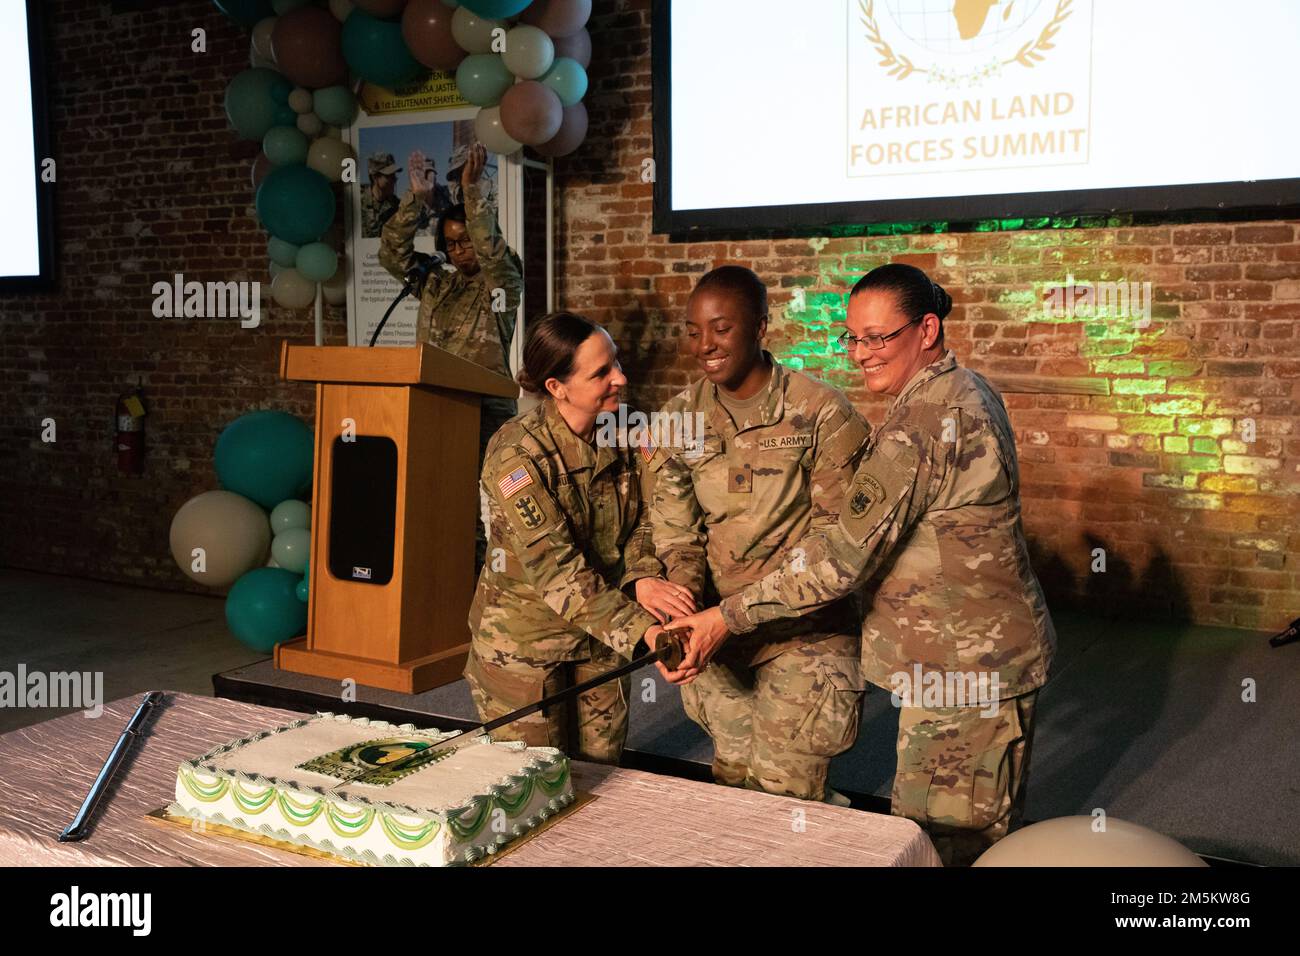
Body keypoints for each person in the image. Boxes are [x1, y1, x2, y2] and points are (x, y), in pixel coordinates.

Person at [669, 263, 1056, 865]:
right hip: (961, 665)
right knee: (950, 837)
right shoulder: (962, 388)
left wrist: (728, 617)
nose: (862, 354)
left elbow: (841, 558)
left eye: (880, 338)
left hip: (963, 674)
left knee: (943, 846)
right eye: (854, 337)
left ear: (927, 330)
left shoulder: (923, 423)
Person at [643, 266, 872, 802]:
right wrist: (681, 613)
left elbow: (838, 546)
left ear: (761, 327)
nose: (706, 346)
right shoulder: (677, 420)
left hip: (807, 635)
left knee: (783, 794)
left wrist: (732, 614)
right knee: (733, 783)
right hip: (716, 640)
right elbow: (678, 536)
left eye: (721, 329)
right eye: (694, 331)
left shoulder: (822, 413)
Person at [468, 312, 696, 763]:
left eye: (616, 362)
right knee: (530, 787)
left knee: (600, 775)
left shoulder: (631, 430)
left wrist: (642, 576)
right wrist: (646, 632)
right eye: (601, 372)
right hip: (526, 649)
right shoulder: (517, 457)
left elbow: (651, 519)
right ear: (556, 387)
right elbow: (559, 573)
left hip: (602, 640)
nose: (621, 377)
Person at [379, 142, 523, 571]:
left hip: (485, 414)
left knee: (490, 513)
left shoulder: (502, 285)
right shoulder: (437, 284)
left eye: (467, 242)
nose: (461, 251)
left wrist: (471, 192)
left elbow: (493, 253)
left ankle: (490, 595)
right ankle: (443, 594)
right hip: (435, 409)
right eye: (451, 244)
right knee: (440, 508)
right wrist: (415, 202)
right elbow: (391, 254)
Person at [360, 152, 401, 238]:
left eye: (394, 175)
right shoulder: (358, 202)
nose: (394, 180)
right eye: (389, 176)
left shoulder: (396, 206)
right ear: (375, 177)